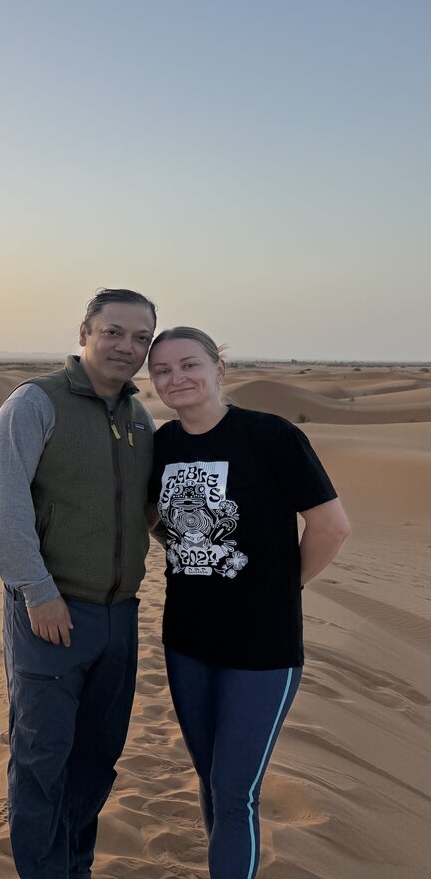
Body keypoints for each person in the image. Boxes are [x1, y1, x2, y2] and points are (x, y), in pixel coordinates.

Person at [146, 327, 350, 879]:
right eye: (162, 370)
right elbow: (154, 520)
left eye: (189, 364)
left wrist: (283, 587)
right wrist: (191, 550)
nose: (176, 378)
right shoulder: (162, 445)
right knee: (211, 779)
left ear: (219, 369)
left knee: (236, 791)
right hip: (185, 639)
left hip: (262, 646)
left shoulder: (271, 436)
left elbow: (331, 527)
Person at [0, 288, 157, 878]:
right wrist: (38, 592)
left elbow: (146, 512)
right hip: (51, 614)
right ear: (85, 333)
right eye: (114, 332)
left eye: (141, 338)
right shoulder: (35, 402)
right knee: (42, 760)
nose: (127, 347)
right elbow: (6, 502)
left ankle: (74, 867)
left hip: (119, 617)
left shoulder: (139, 418)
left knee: (96, 760)